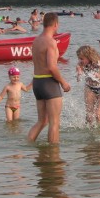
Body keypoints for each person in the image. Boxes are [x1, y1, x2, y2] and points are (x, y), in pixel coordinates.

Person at [27, 12, 71, 144]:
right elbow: (52, 67)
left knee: (42, 121)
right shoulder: (50, 42)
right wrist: (63, 82)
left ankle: (27, 144)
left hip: (37, 82)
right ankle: (54, 155)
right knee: (54, 122)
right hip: (49, 83)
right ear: (56, 24)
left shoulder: (36, 41)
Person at [76, 45, 100, 126]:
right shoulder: (81, 64)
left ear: (88, 56)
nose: (80, 60)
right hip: (90, 87)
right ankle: (90, 135)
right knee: (89, 116)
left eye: (82, 58)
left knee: (98, 114)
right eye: (79, 58)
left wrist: (98, 75)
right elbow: (78, 77)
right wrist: (79, 73)